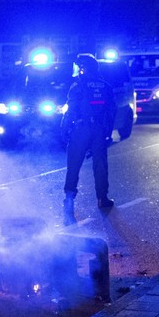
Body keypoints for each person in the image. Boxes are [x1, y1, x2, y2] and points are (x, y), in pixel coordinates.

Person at [61, 54, 117, 225]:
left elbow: (70, 110)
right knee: (100, 165)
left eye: (78, 67)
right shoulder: (105, 86)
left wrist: (64, 128)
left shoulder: (78, 86)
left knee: (74, 165)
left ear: (83, 68)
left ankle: (69, 201)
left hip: (81, 129)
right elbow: (111, 111)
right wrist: (107, 132)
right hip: (99, 130)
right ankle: (102, 198)